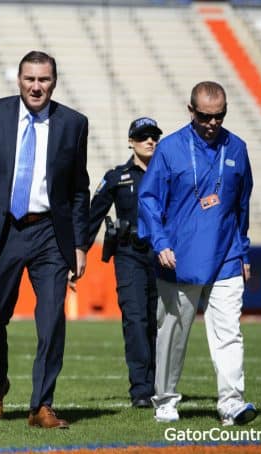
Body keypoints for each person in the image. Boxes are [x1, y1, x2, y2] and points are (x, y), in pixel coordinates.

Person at [0, 50, 89, 429]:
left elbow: (79, 188)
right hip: (0, 230)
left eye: (44, 79)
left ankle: (42, 405)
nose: (36, 86)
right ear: (18, 80)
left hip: (51, 233)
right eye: (30, 78)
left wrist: (80, 243)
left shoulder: (73, 123)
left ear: (54, 82)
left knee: (51, 319)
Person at [137, 81, 256, 426]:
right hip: (178, 258)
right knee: (172, 332)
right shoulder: (170, 149)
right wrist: (160, 243)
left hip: (227, 256)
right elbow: (148, 199)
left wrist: (244, 253)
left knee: (229, 332)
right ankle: (166, 400)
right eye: (205, 116)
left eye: (219, 116)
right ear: (191, 111)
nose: (213, 123)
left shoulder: (238, 148)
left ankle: (232, 402)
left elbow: (242, 205)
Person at [88, 117, 162, 409]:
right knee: (135, 319)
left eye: (154, 136)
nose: (150, 141)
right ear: (131, 141)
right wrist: (77, 252)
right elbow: (93, 215)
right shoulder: (117, 177)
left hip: (162, 257)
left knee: (159, 322)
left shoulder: (168, 175)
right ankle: (141, 389)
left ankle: (161, 385)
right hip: (129, 254)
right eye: (143, 136)